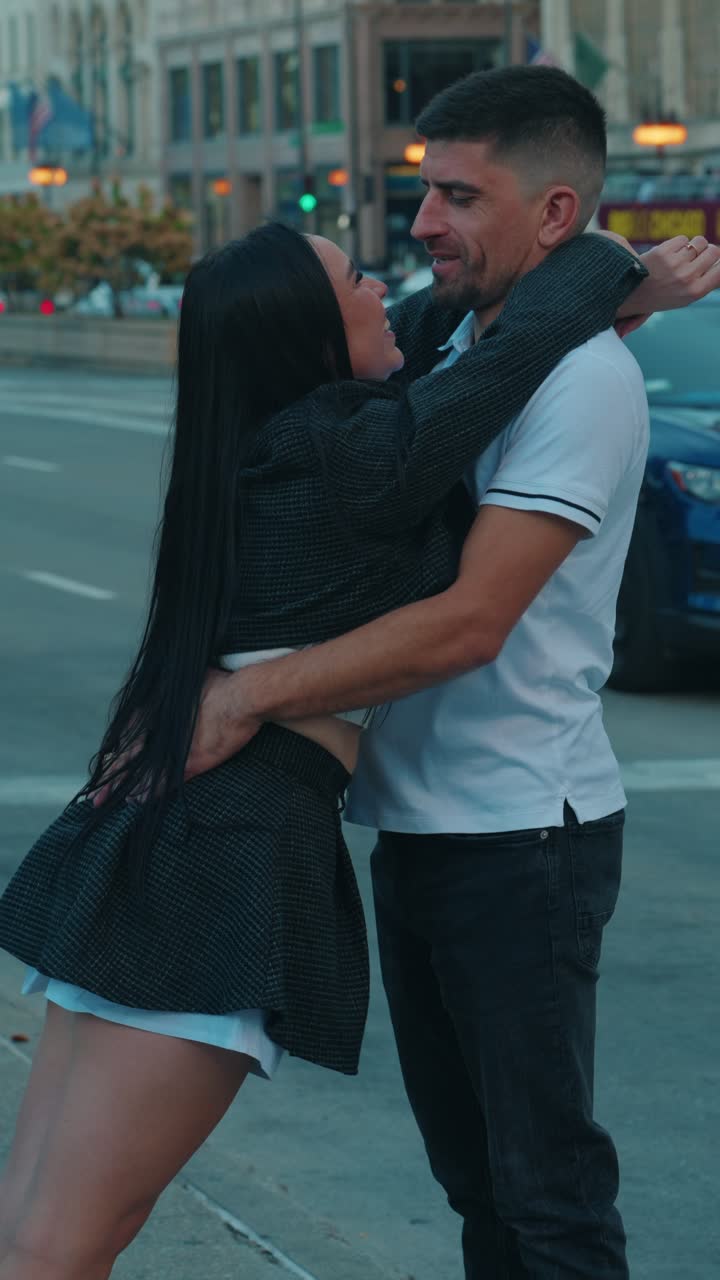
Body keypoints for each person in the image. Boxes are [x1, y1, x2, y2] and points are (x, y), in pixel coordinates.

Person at [0, 210, 654, 1275]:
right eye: (359, 277)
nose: (391, 286)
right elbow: (516, 348)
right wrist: (618, 264)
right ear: (310, 329)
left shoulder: (278, 438)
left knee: (37, 1229)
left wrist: (616, 291)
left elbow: (435, 327)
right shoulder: (352, 453)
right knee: (66, 1238)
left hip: (170, 842)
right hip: (222, 854)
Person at [171, 70, 720, 1280]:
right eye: (426, 193)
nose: (423, 225)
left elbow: (471, 621)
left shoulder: (582, 381)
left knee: (546, 1198)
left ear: (556, 214)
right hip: (423, 829)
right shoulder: (478, 344)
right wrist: (623, 291)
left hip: (522, 837)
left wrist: (248, 693)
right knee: (478, 1190)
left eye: (459, 197)